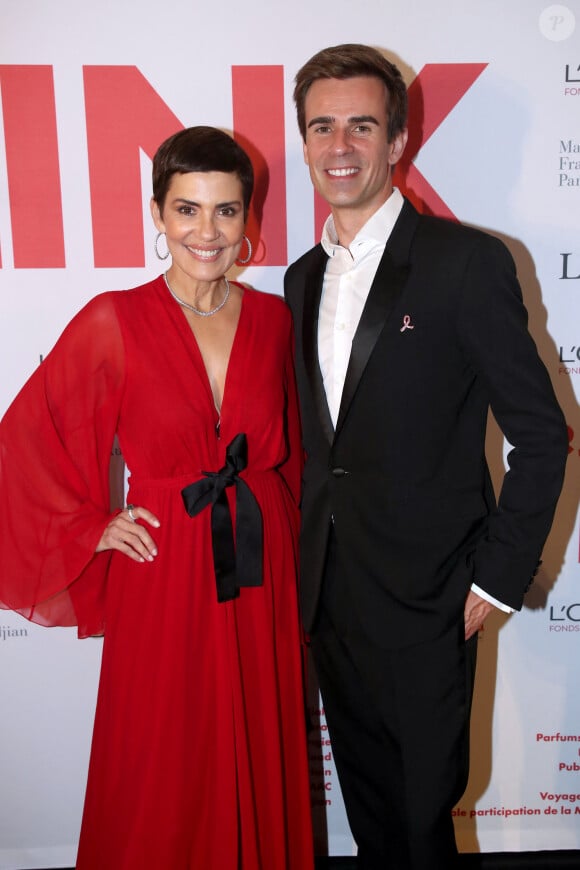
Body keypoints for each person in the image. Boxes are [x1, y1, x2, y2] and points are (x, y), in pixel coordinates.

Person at [284, 44, 568, 869]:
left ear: (399, 140)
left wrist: (496, 575)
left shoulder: (465, 264)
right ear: (303, 142)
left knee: (419, 817)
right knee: (374, 814)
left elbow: (543, 435)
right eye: (323, 126)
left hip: (428, 596)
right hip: (330, 593)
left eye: (362, 126)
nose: (341, 145)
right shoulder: (302, 279)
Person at [0, 126, 314, 869]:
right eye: (187, 209)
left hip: (259, 567)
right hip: (165, 565)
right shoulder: (115, 318)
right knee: (160, 759)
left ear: (248, 219)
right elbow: (27, 440)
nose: (207, 232)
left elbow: (299, 455)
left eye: (226, 211)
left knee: (258, 744)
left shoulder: (272, 321)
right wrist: (90, 526)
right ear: (156, 214)